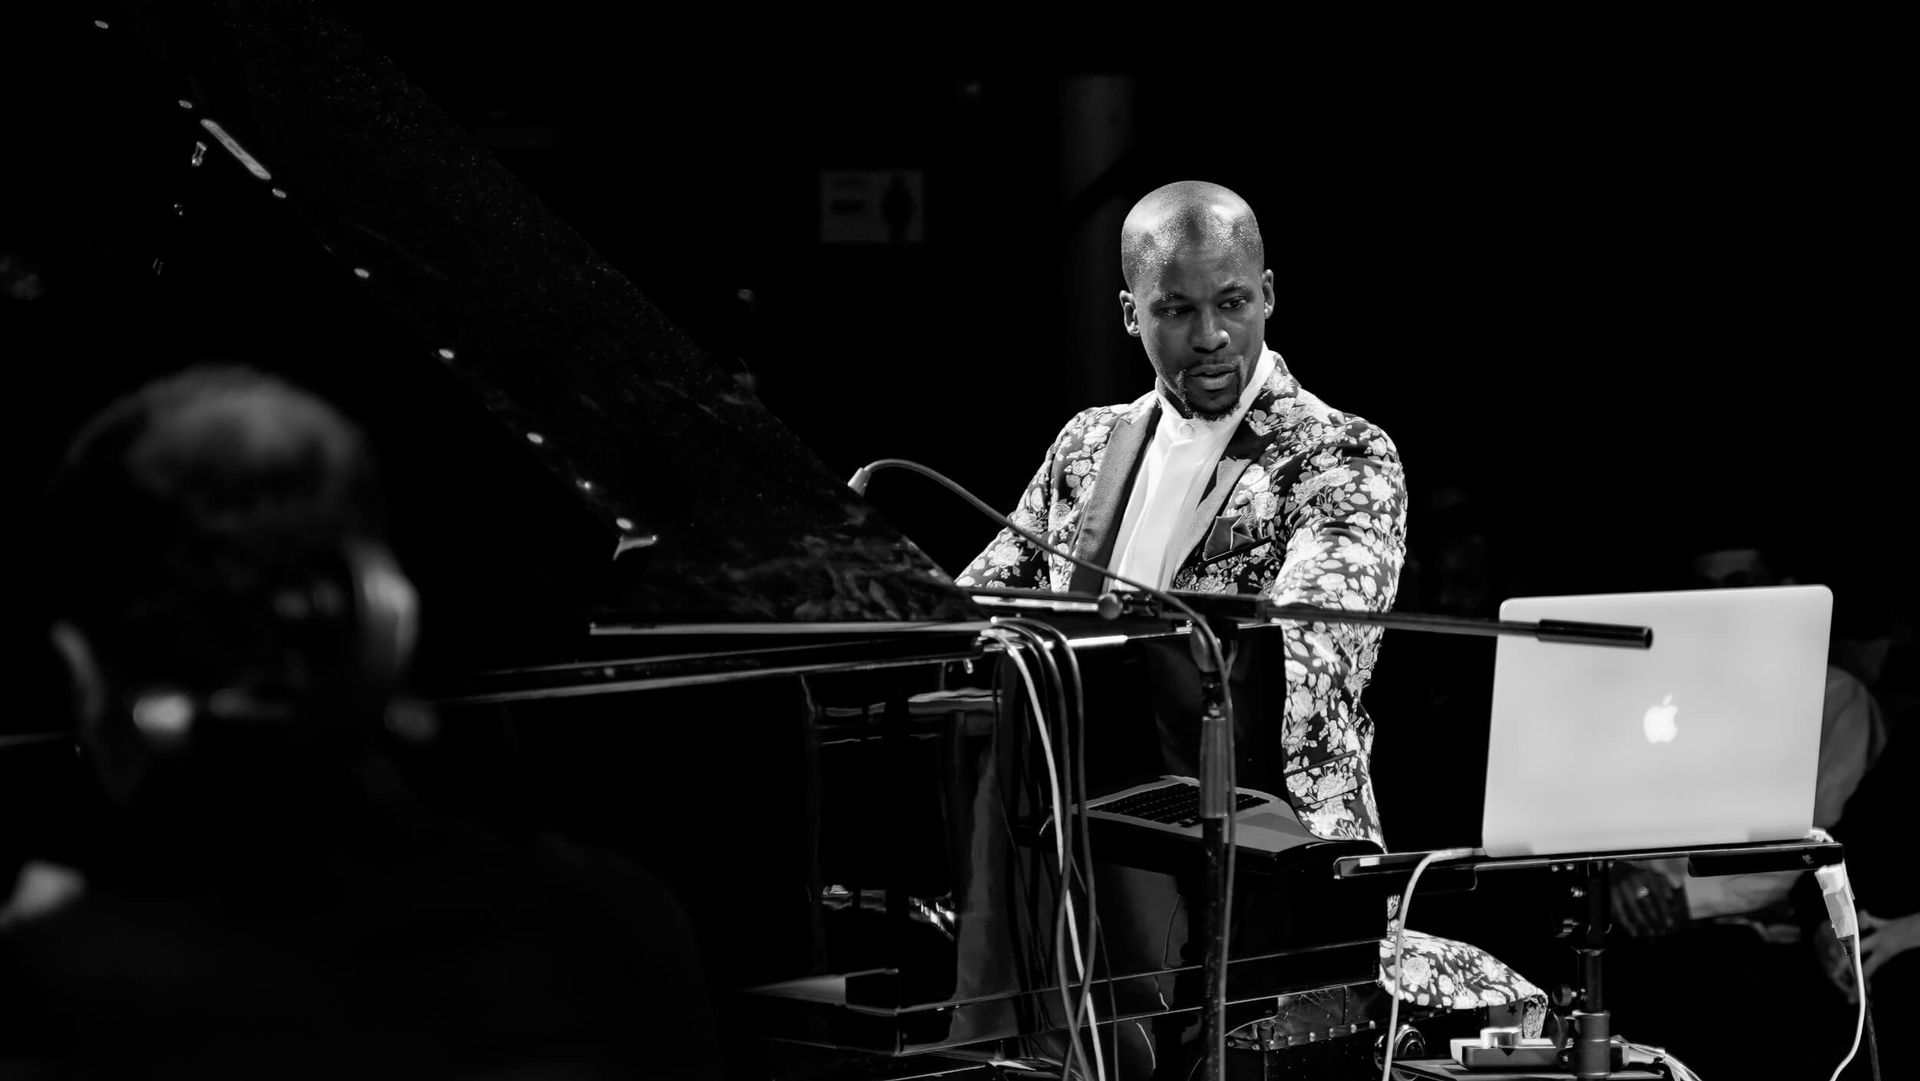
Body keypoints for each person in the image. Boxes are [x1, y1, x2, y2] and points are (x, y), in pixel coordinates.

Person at [953, 181, 1542, 1077]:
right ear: (1129, 312)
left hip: (1273, 871)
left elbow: (1311, 646)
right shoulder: (1087, 447)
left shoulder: (1341, 454)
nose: (1211, 336)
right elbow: (978, 601)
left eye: (1231, 303)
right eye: (1177, 310)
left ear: (1267, 292)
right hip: (1089, 868)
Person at [0, 366, 721, 1080]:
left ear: (82, 672)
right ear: (380, 619)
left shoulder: (66, 1000)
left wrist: (63, 950)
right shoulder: (624, 924)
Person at [1601, 538, 1888, 1078]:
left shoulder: (1835, 697)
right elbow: (1612, 814)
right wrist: (1622, 875)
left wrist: (1684, 898)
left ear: (1781, 591)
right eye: (1706, 589)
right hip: (1648, 933)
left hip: (1763, 941)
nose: (1721, 603)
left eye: (1738, 585)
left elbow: (1816, 846)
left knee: (1716, 987)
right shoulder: (1665, 698)